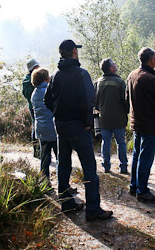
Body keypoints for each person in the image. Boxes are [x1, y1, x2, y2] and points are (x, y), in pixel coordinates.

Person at [44, 39, 113, 221]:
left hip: (61, 127)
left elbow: (47, 101)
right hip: (79, 127)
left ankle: (66, 203)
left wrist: (59, 114)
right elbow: (88, 101)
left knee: (63, 165)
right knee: (89, 167)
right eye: (77, 50)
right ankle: (92, 209)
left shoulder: (56, 75)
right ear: (74, 51)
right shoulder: (81, 74)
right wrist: (88, 123)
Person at [126, 47, 155, 203]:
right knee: (145, 157)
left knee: (137, 155)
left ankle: (134, 186)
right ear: (151, 60)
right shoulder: (150, 79)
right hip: (149, 124)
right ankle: (142, 191)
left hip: (136, 121)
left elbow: (128, 98)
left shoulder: (132, 75)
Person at [94, 58, 129, 174]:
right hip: (119, 118)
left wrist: (102, 110)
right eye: (114, 64)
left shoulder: (98, 82)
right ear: (110, 68)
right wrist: (126, 112)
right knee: (121, 143)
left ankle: (106, 166)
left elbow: (95, 102)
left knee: (106, 142)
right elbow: (125, 101)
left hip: (104, 119)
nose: (116, 65)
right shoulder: (120, 82)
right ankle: (123, 167)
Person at [31, 67, 58, 180]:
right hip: (53, 128)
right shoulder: (50, 91)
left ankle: (44, 181)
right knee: (60, 157)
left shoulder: (34, 93)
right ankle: (63, 184)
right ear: (46, 78)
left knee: (45, 157)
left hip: (40, 129)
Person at [22, 58, 40, 156]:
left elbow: (25, 94)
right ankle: (38, 150)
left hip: (31, 106)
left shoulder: (25, 81)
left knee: (35, 126)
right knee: (37, 127)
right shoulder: (34, 80)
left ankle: (36, 151)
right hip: (38, 106)